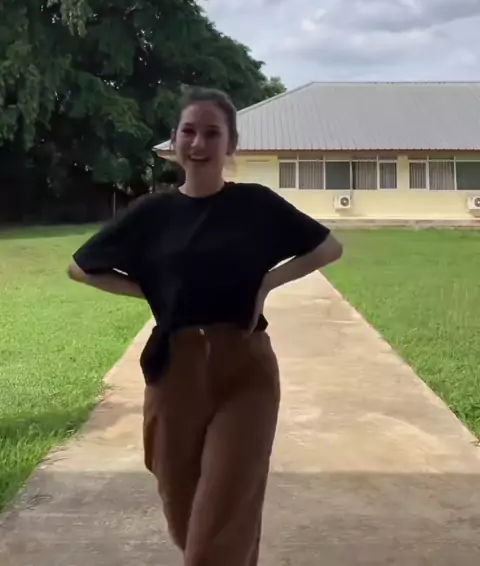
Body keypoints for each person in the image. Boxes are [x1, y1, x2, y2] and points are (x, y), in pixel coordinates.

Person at [68, 87, 343, 566]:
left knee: (222, 516)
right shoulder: (151, 213)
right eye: (189, 131)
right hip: (175, 371)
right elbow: (81, 267)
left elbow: (327, 247)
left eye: (212, 133)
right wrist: (153, 291)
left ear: (230, 144)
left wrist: (267, 283)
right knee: (184, 509)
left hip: (245, 370)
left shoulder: (256, 204)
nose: (199, 143)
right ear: (174, 140)